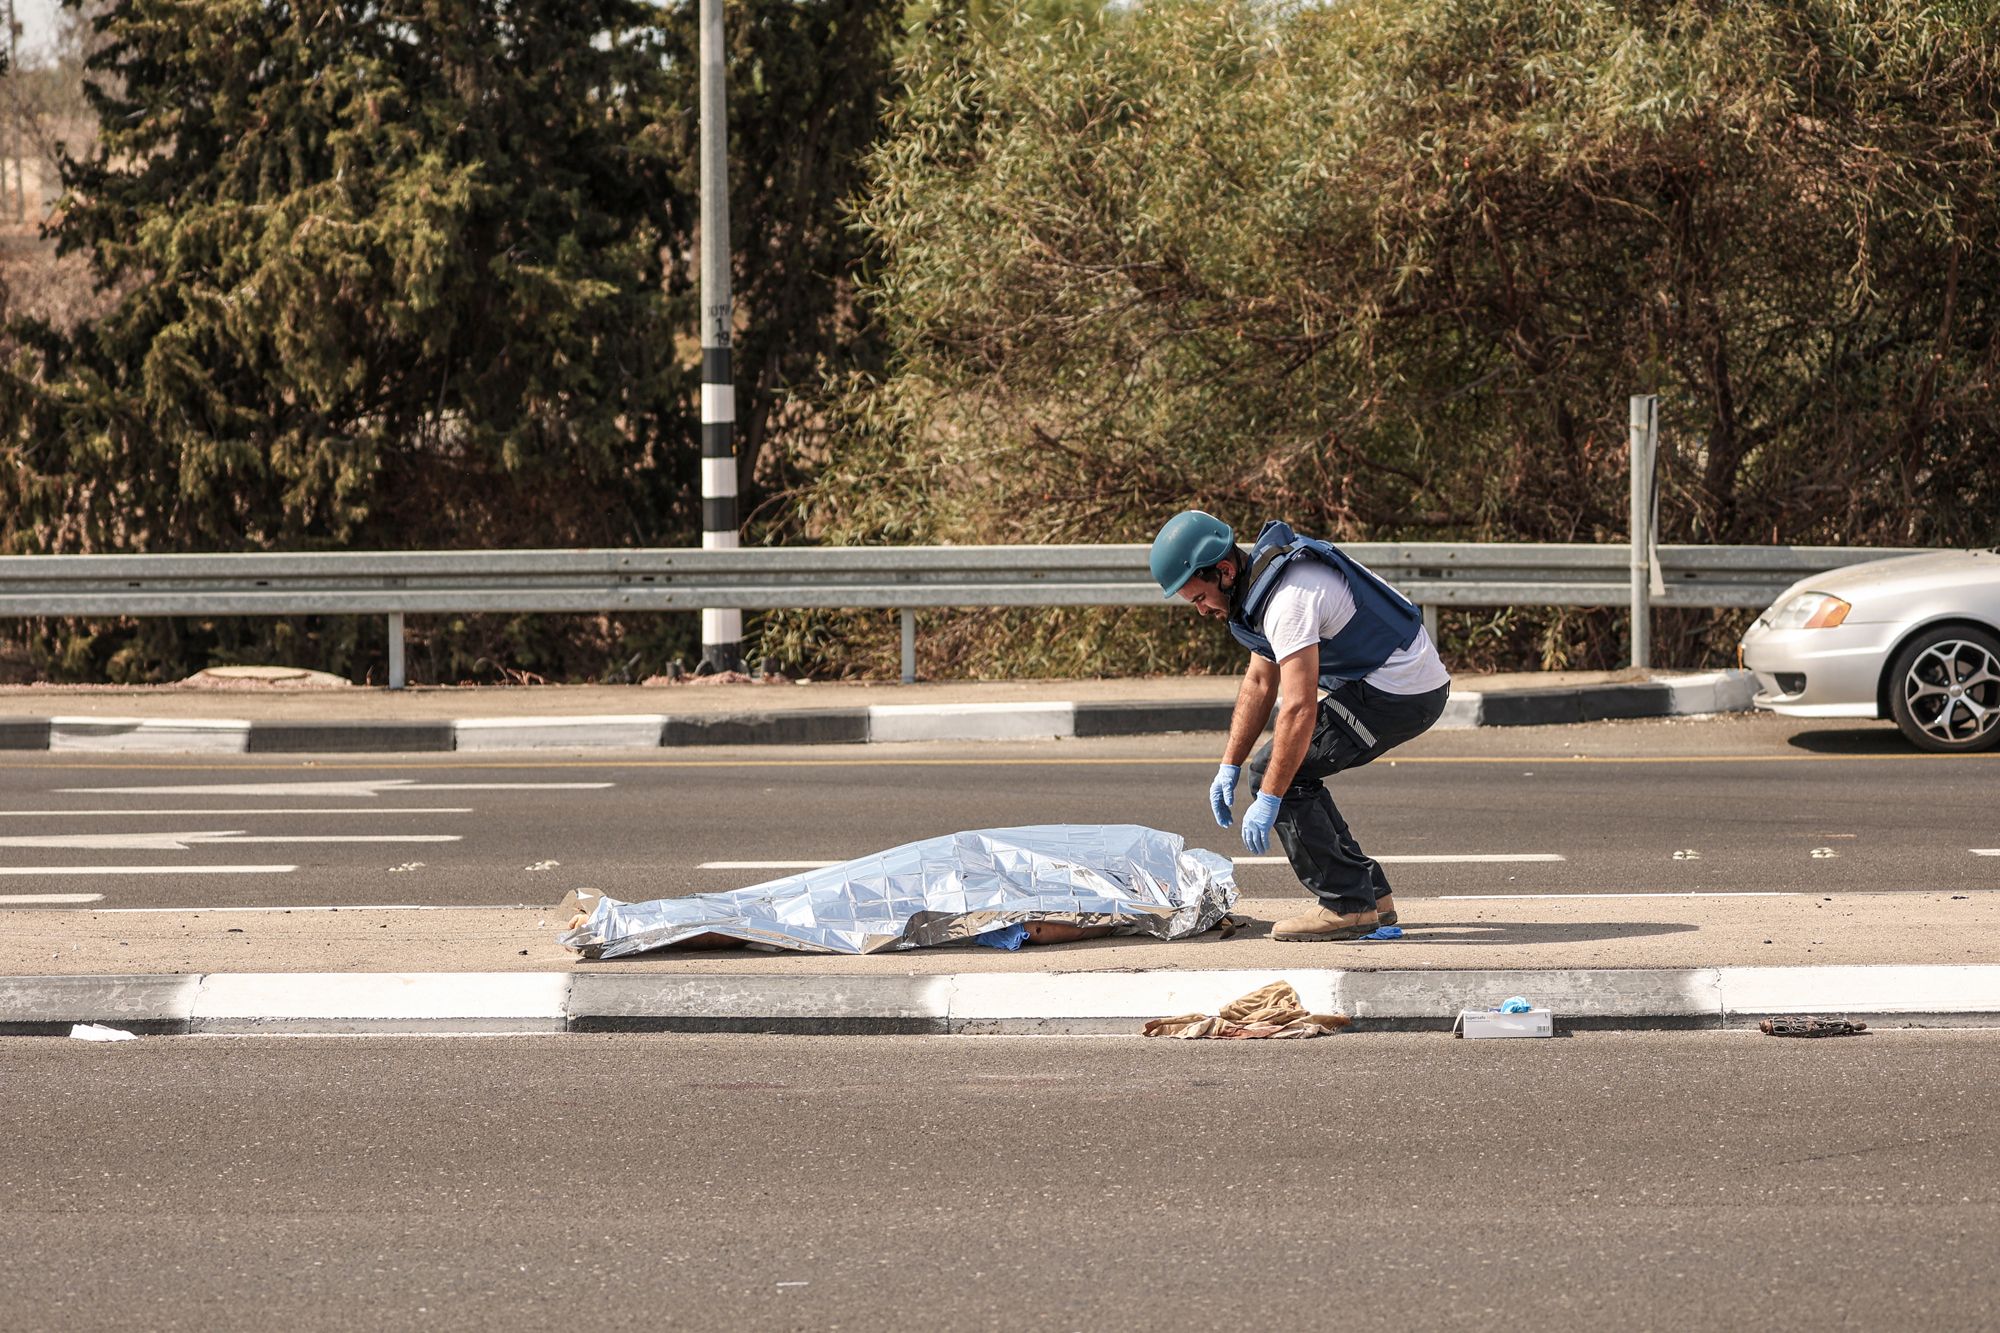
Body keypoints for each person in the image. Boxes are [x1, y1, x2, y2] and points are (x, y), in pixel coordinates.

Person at [1151, 510, 1452, 941]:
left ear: (1223, 570)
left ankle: (1347, 906)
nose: (1201, 610)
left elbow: (1297, 708)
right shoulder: (1258, 587)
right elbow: (1259, 682)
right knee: (1283, 770)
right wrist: (1228, 765)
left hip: (1399, 694)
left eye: (1199, 598)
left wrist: (1269, 794)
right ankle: (1370, 895)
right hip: (1390, 684)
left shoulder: (1287, 600)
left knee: (1280, 774)